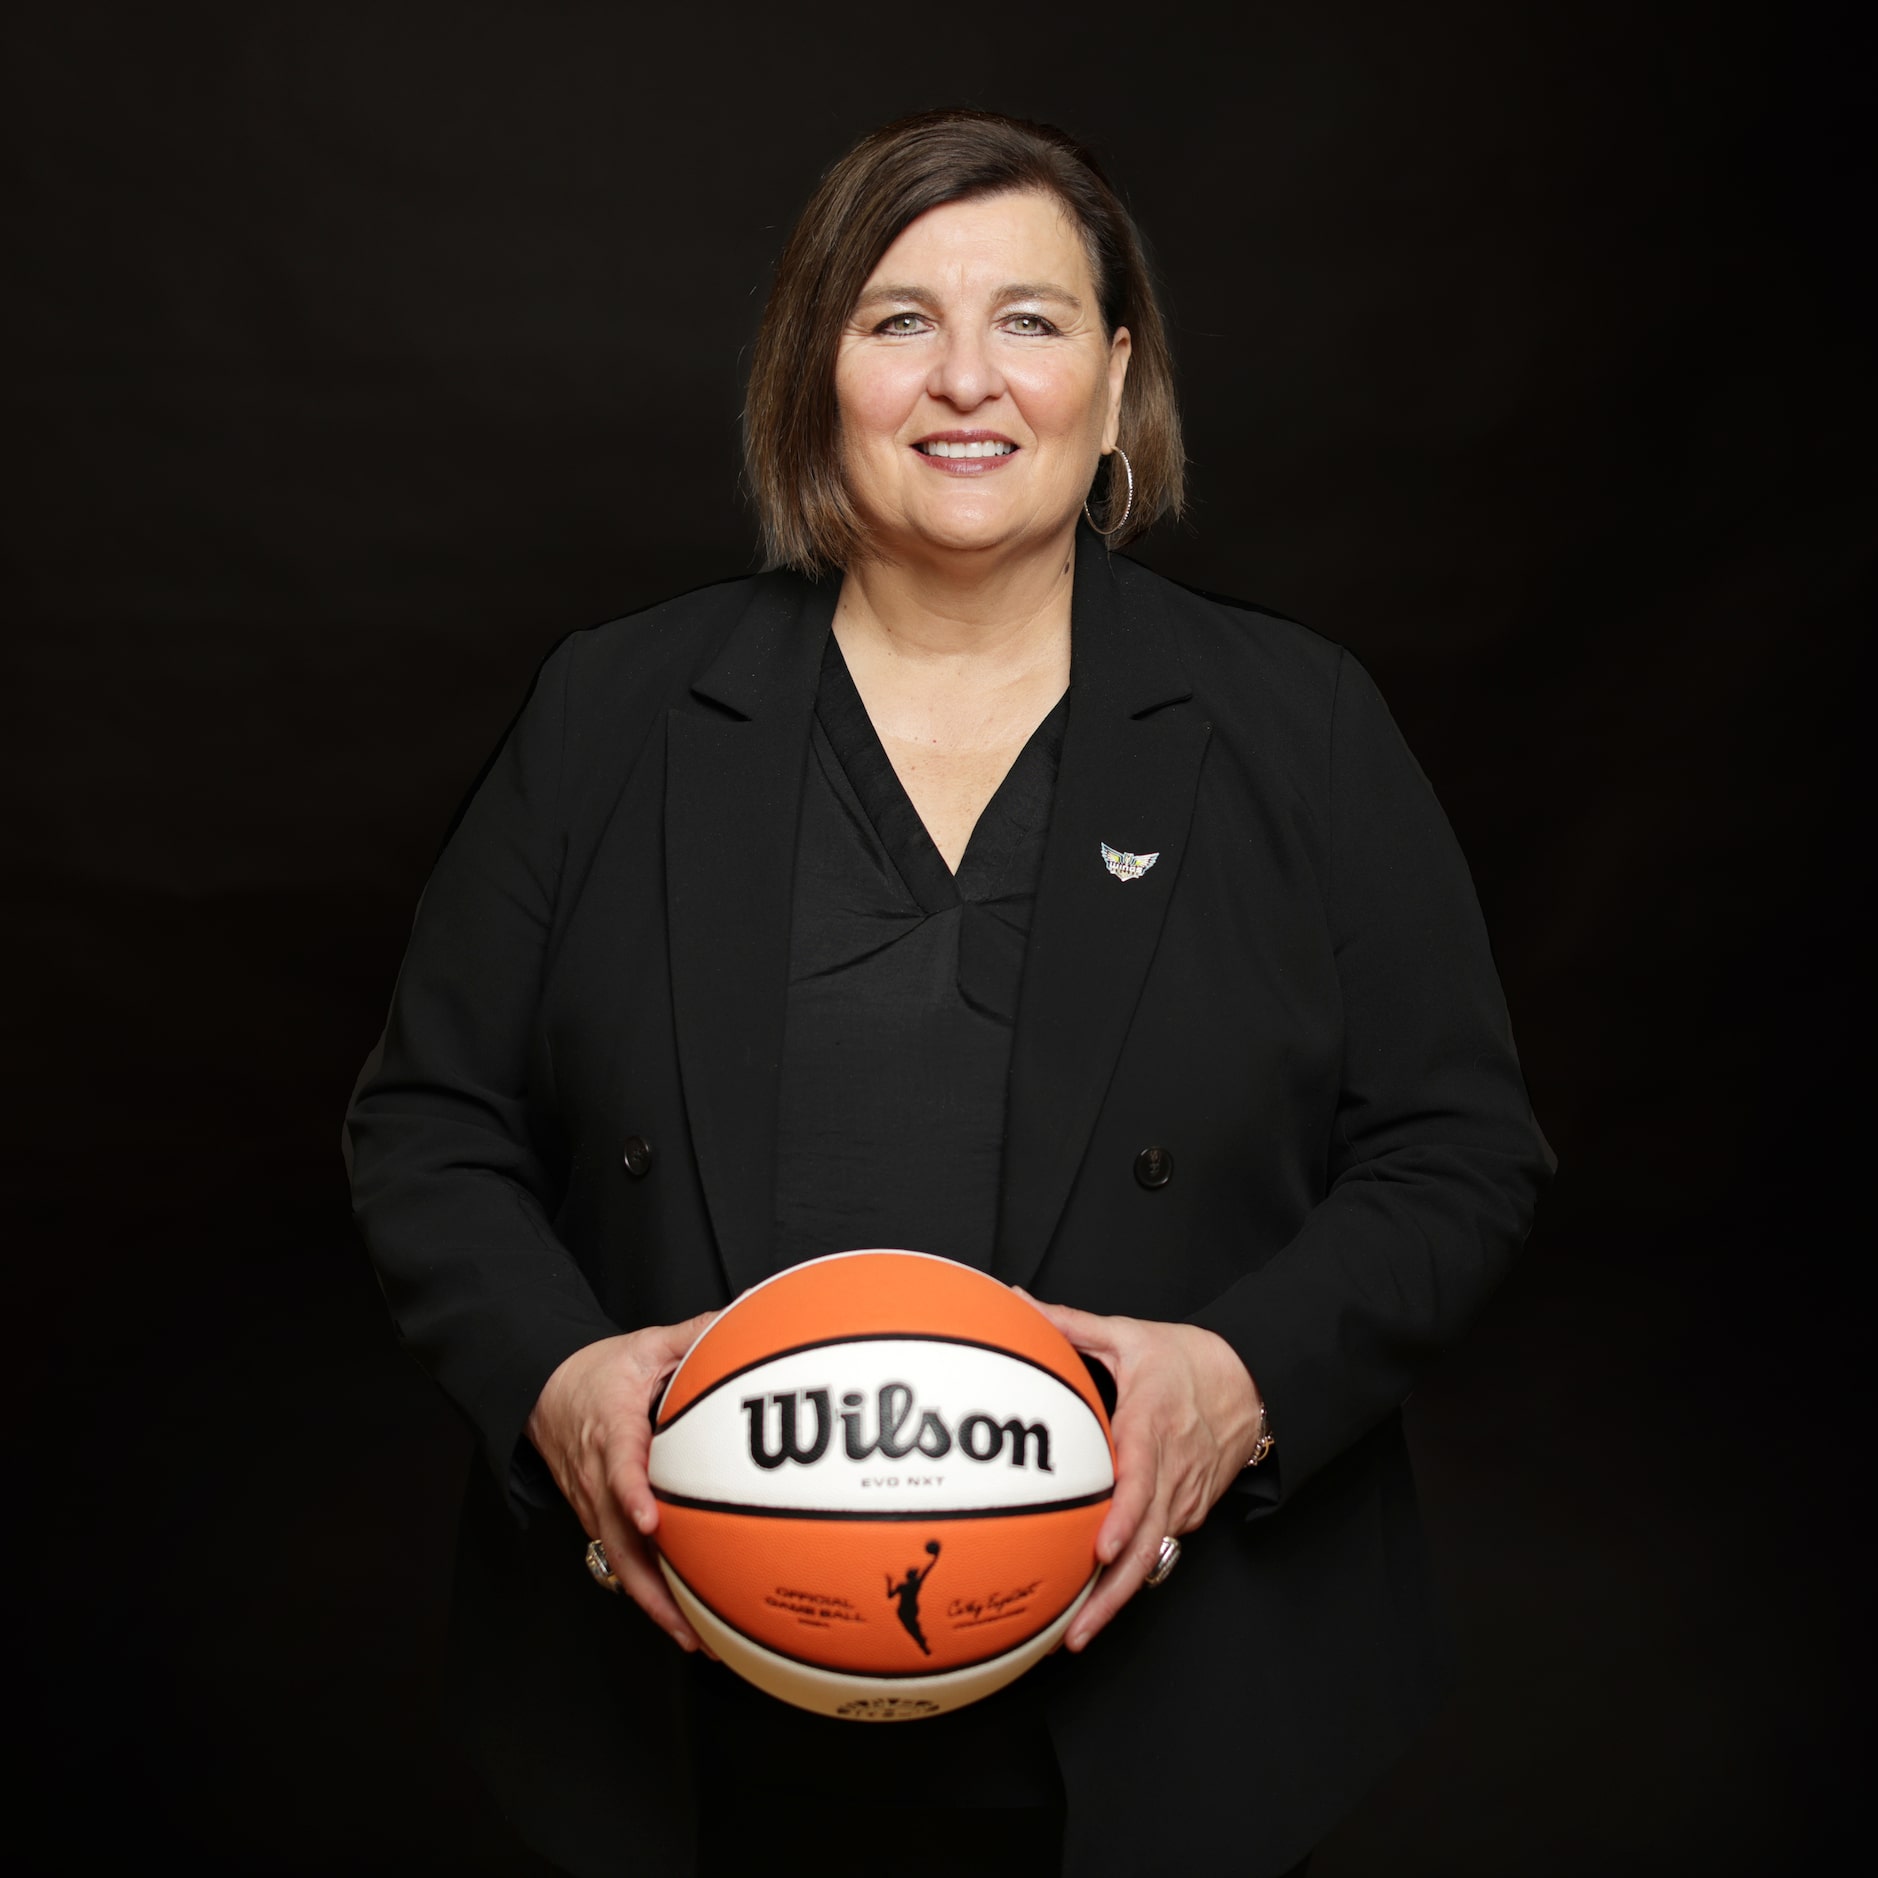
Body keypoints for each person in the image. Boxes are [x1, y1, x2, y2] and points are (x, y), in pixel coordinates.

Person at [345, 108, 1554, 1878]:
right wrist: (558, 1376)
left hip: (1173, 1721)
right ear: (813, 369)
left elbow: (1459, 1151)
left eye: (1033, 320)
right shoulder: (616, 714)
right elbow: (427, 1123)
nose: (965, 380)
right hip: (685, 1709)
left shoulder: (1292, 727)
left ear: (1117, 370)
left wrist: (1240, 1379)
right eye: (897, 318)